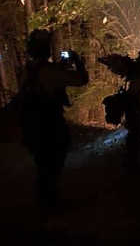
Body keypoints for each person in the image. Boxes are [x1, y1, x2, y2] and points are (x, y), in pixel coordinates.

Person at [18, 29, 88, 209]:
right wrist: (78, 61)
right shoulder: (50, 71)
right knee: (52, 165)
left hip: (32, 126)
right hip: (50, 126)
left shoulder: (29, 71)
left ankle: (45, 202)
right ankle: (49, 204)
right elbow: (81, 79)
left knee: (43, 165)